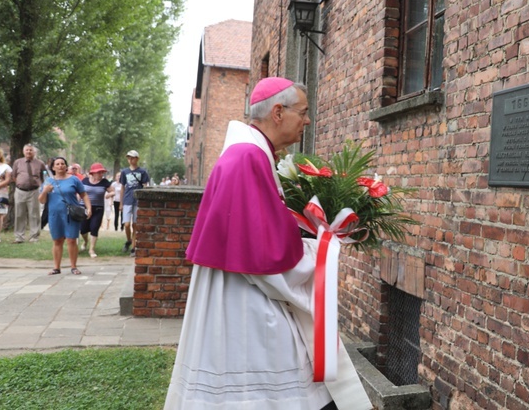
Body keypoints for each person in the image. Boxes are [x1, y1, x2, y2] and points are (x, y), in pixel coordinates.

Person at [164, 78, 371, 410]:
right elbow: (269, 257)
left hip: (242, 289)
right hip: (244, 302)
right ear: (278, 112)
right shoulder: (248, 158)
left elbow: (260, 237)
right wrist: (323, 248)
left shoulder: (251, 153)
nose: (307, 121)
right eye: (303, 112)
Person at [38, 156, 91, 275]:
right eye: (57, 164)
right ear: (53, 167)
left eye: (63, 163)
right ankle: (56, 267)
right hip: (55, 215)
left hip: (71, 215)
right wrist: (45, 191)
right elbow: (41, 200)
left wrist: (89, 208)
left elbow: (84, 195)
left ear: (66, 166)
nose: (60, 166)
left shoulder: (74, 180)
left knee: (72, 240)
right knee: (57, 240)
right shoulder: (48, 182)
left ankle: (73, 266)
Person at [11, 144, 46, 243]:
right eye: (27, 150)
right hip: (20, 191)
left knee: (34, 214)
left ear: (34, 152)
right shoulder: (18, 162)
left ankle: (34, 237)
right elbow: (14, 176)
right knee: (19, 214)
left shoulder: (40, 163)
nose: (28, 152)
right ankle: (19, 237)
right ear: (23, 151)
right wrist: (21, 183)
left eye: (31, 150)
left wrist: (38, 185)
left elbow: (44, 177)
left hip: (34, 191)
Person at [79, 163, 113, 258]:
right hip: (84, 207)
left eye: (102, 172)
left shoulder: (105, 182)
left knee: (94, 228)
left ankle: (91, 249)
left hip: (98, 208)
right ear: (93, 173)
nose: (101, 174)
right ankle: (85, 242)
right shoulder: (84, 181)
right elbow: (79, 192)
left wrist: (109, 195)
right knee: (83, 229)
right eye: (99, 172)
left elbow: (112, 190)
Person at [120, 150, 149, 256]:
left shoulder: (142, 171)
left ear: (137, 159)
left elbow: (145, 186)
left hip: (138, 201)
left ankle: (133, 247)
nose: (130, 160)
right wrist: (121, 202)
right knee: (126, 224)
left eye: (132, 158)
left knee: (135, 224)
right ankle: (128, 240)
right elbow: (122, 187)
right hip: (127, 199)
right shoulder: (124, 172)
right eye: (128, 158)